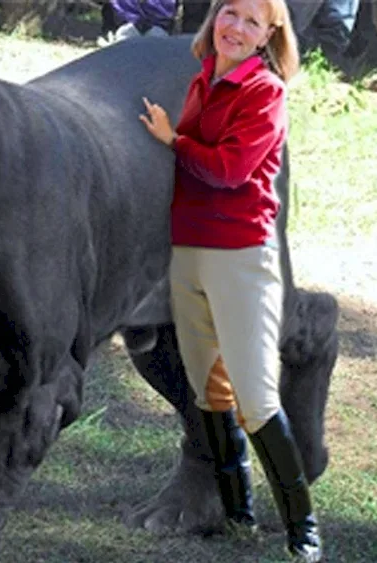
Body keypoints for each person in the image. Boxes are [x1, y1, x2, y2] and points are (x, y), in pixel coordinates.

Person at [138, 0, 323, 561]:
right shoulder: (202, 80)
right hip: (190, 251)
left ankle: (302, 527)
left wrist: (173, 140)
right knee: (209, 391)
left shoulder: (264, 91)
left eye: (252, 21)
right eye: (230, 13)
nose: (236, 28)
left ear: (271, 35)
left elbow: (229, 169)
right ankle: (235, 504)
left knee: (255, 398)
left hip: (240, 254)